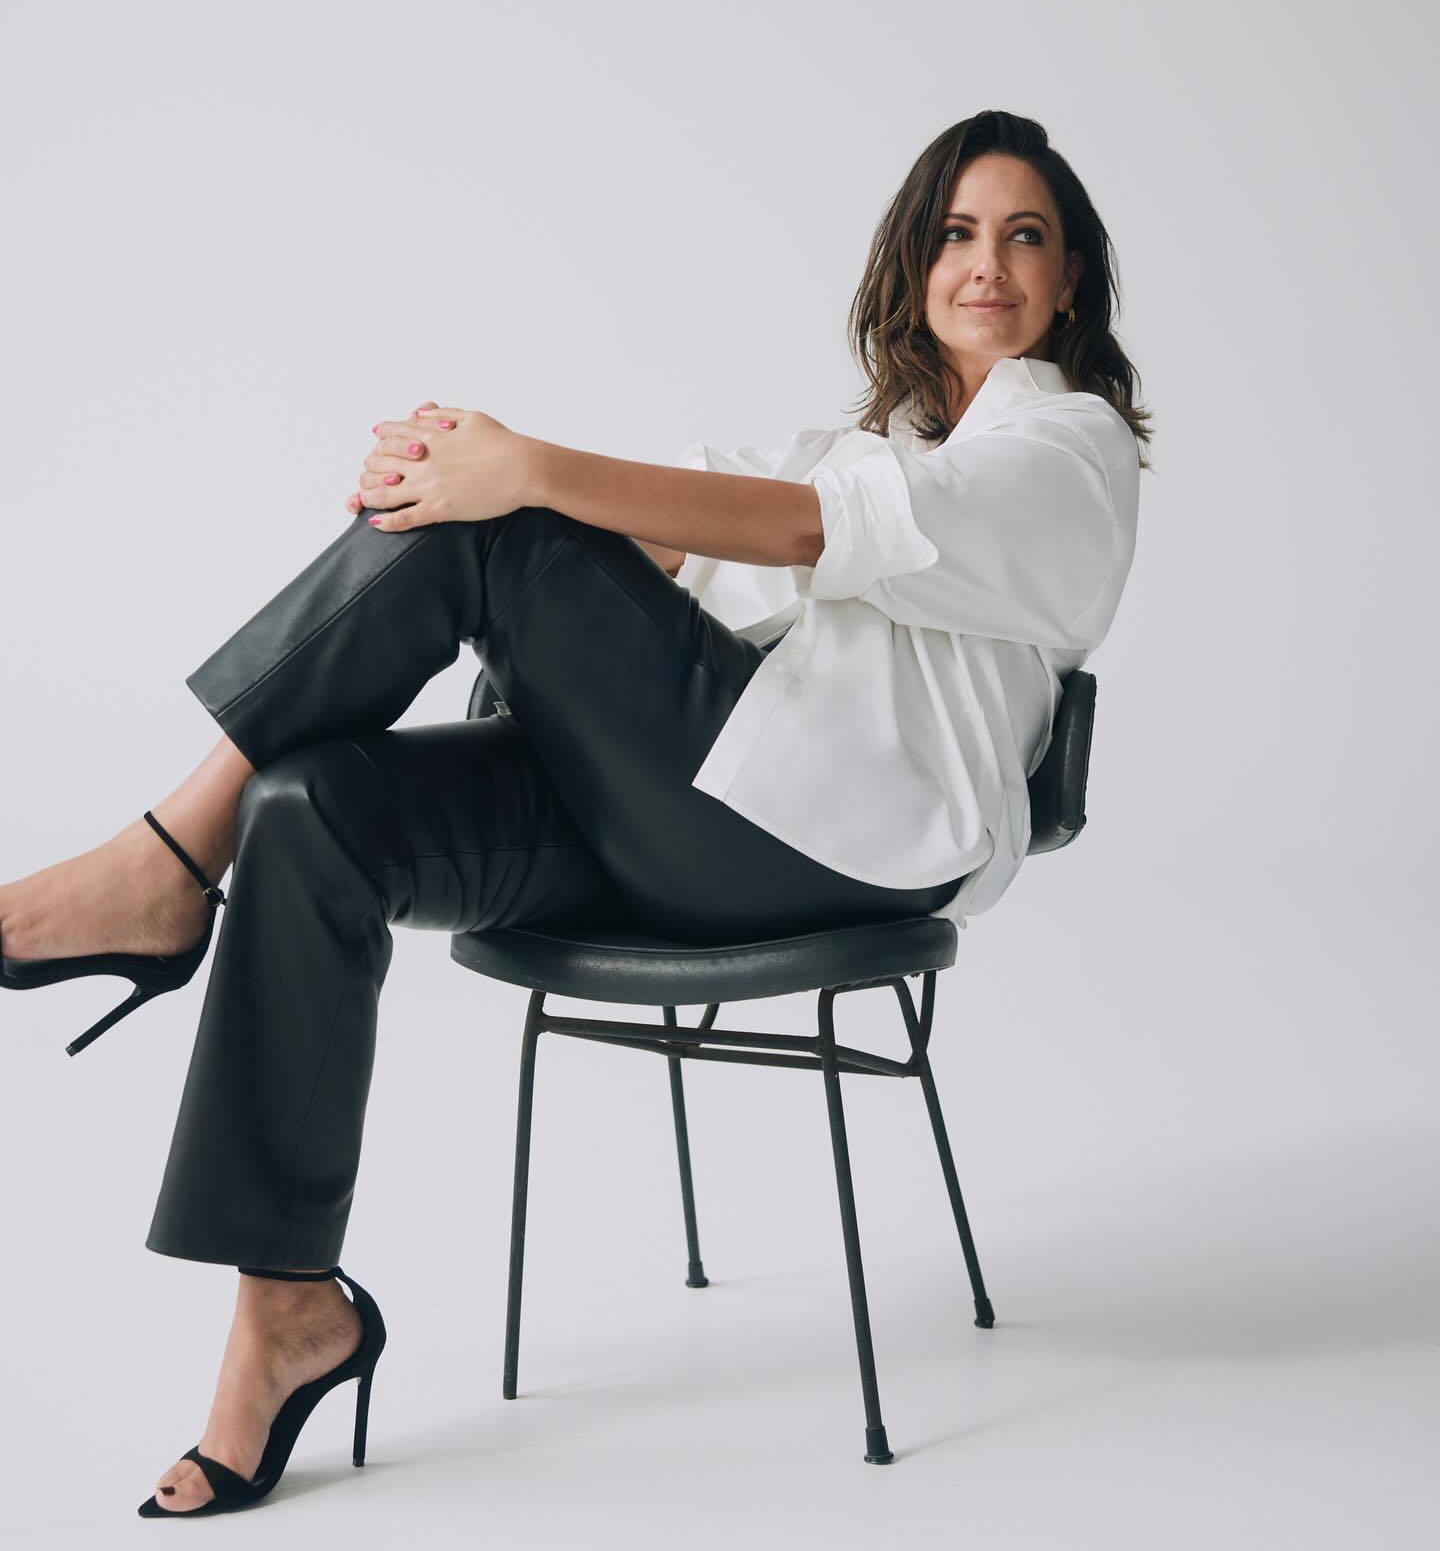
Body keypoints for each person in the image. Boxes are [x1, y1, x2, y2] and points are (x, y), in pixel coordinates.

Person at [0, 107, 1152, 1516]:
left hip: (836, 850)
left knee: (501, 517)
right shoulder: (871, 440)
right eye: (958, 234)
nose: (987, 265)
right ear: (917, 264)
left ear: (1070, 276)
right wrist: (448, 471)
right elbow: (697, 534)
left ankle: (159, 864)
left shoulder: (1068, 452)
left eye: (1025, 237)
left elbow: (814, 529)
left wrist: (522, 477)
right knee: (310, 806)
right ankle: (287, 1311)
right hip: (695, 821)